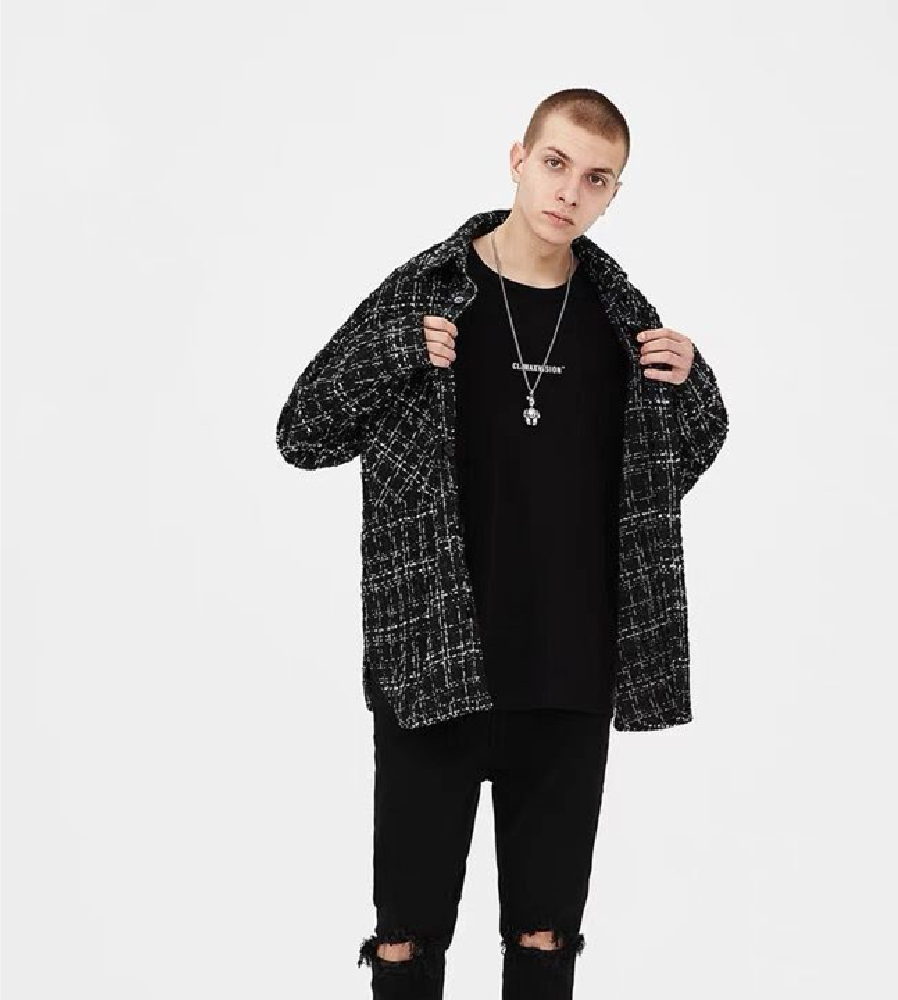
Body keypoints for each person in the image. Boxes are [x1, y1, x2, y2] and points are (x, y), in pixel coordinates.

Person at [276, 87, 729, 1000]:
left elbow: (664, 478)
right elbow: (303, 433)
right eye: (555, 164)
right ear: (518, 160)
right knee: (406, 940)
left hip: (568, 672)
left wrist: (694, 386)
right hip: (434, 663)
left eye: (596, 179)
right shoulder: (429, 293)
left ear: (613, 194)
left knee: (545, 937)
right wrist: (394, 352)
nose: (569, 192)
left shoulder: (621, 320)